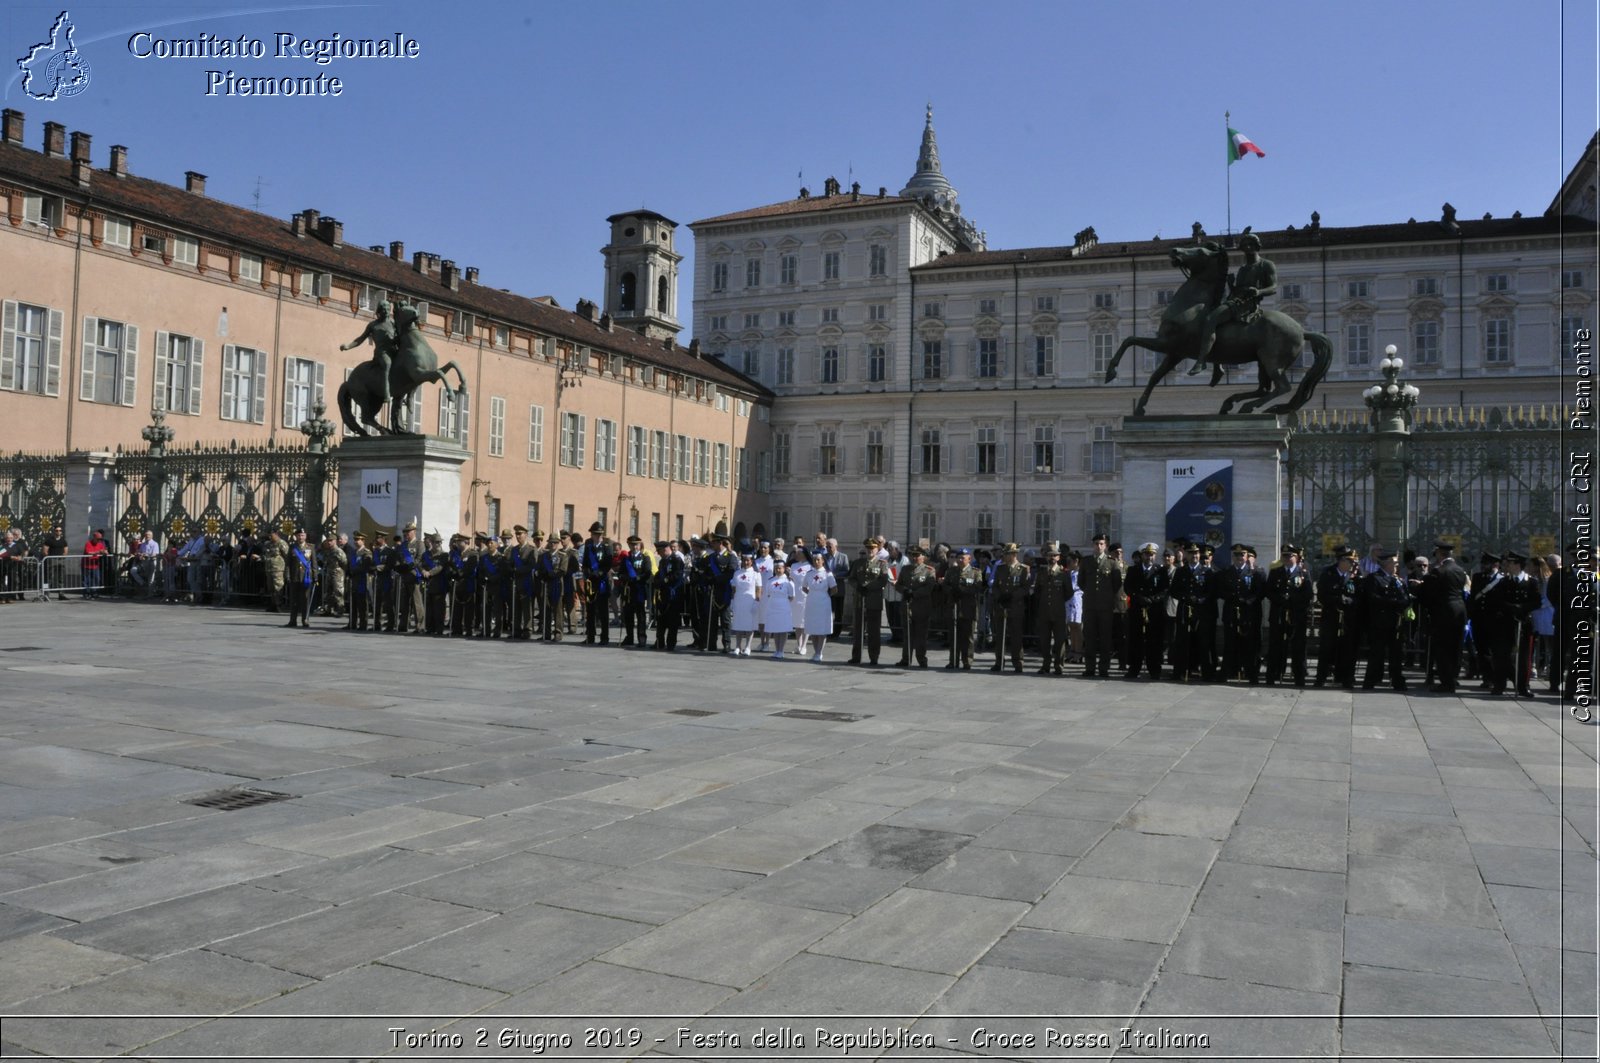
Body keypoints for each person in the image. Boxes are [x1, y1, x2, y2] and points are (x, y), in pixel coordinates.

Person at [1191, 228, 1277, 376]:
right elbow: (1237, 291)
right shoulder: (1243, 269)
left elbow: (1273, 287)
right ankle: (1217, 366)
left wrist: (1259, 292)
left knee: (1211, 319)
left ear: (1257, 246)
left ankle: (1202, 361)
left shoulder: (1266, 265)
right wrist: (1232, 285)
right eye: (1245, 245)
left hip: (1247, 304)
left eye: (1251, 244)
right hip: (1235, 300)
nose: (1247, 248)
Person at [1419, 540, 1469, 693]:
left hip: (1443, 613)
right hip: (1459, 611)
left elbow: (1430, 592)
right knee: (1456, 647)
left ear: (1440, 554)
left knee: (1443, 648)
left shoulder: (1438, 571)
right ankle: (1453, 678)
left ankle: (1446, 682)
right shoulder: (1460, 570)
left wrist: (1418, 587)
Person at [1264, 544, 1314, 687]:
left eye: (1289, 556)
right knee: (1276, 646)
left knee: (1298, 647)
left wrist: (1293, 602)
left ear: (1296, 557)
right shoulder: (1275, 572)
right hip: (1279, 614)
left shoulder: (1303, 573)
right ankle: (1272, 675)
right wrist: (1281, 600)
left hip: (1296, 616)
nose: (1286, 558)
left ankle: (1299, 676)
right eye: (1284, 555)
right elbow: (1269, 591)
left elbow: (1308, 594)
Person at [1361, 550, 1411, 690]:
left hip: (1396, 622)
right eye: (1394, 563)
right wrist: (1394, 602)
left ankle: (1397, 680)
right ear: (1386, 564)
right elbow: (1373, 598)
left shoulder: (1397, 580)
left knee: (1397, 653)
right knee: (1377, 653)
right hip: (1380, 622)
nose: (1396, 566)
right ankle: (1371, 680)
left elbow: (1405, 597)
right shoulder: (1374, 578)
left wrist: (1403, 602)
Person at [1218, 544, 1267, 684]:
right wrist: (1233, 597)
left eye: (1242, 555)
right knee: (1230, 645)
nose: (1239, 557)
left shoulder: (1255, 572)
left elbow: (1260, 592)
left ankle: (1251, 675)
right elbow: (1220, 591)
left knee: (1249, 647)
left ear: (1247, 556)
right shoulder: (1226, 572)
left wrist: (1248, 601)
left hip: (1248, 614)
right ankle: (1225, 674)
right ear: (1233, 557)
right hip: (1231, 613)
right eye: (1236, 555)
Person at [1315, 548, 1362, 689]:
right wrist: (1338, 600)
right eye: (1350, 561)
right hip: (1332, 615)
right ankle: (1321, 677)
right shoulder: (1328, 573)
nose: (1353, 565)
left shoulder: (1356, 575)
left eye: (1354, 562)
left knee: (1348, 649)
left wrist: (1349, 602)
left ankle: (1346, 678)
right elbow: (1322, 595)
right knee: (1327, 647)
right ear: (1342, 561)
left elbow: (1359, 595)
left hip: (1348, 618)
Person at [1079, 533, 1124, 679]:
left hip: (1105, 606)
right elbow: (1081, 582)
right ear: (1092, 545)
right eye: (1096, 543)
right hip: (1090, 605)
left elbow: (1116, 583)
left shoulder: (1112, 562)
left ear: (1105, 546)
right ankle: (1090, 667)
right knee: (1090, 637)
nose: (1098, 546)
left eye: (1101, 544)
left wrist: (1110, 599)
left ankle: (1104, 668)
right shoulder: (1086, 562)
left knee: (1105, 638)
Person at [1124, 542, 1170, 680]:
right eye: (1147, 554)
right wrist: (1139, 597)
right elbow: (1128, 588)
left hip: (1154, 610)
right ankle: (1134, 669)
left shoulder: (1161, 570)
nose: (1149, 557)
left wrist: (1153, 599)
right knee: (1136, 640)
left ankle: (1154, 669)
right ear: (1142, 555)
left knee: (1154, 641)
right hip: (1138, 608)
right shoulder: (1133, 570)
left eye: (1152, 554)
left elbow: (1165, 589)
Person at [339, 299, 397, 406]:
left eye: (388, 309)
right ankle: (386, 393)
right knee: (387, 364)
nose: (386, 311)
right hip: (382, 352)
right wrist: (348, 346)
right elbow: (360, 339)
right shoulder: (373, 325)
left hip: (394, 349)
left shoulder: (393, 323)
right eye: (383, 309)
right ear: (379, 311)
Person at [847, 538, 891, 666]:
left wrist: (868, 587)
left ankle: (874, 656)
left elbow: (883, 580)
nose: (870, 550)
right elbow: (851, 578)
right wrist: (858, 586)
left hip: (874, 600)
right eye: (868, 548)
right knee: (857, 630)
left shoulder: (882, 564)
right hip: (859, 599)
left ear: (877, 549)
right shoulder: (858, 563)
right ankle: (856, 656)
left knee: (874, 631)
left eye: (873, 548)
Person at [988, 544, 1030, 673]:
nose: (1003, 557)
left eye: (1006, 554)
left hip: (1015, 606)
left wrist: (1012, 596)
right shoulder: (1000, 568)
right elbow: (994, 586)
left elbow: (1025, 587)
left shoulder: (1023, 569)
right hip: (1001, 606)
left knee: (1016, 636)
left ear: (1013, 555)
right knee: (1000, 636)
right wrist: (999, 596)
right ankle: (999, 661)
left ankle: (1018, 662)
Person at [1032, 544, 1073, 675]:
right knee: (1044, 640)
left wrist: (1058, 601)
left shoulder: (1063, 574)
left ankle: (1059, 665)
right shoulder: (1042, 573)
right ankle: (1045, 665)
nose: (1052, 558)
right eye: (1050, 555)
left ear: (1059, 557)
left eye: (1054, 555)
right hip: (1044, 611)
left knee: (1060, 640)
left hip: (1058, 611)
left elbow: (1069, 593)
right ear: (1046, 557)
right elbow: (1037, 591)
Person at [896, 544, 939, 668]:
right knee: (907, 634)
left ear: (923, 557)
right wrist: (904, 590)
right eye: (912, 555)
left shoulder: (929, 570)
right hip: (907, 605)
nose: (914, 558)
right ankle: (906, 658)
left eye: (917, 555)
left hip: (921, 606)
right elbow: (898, 584)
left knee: (921, 635)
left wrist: (914, 593)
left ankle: (921, 659)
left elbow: (929, 587)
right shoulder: (905, 569)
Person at [799, 551, 837, 662]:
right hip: (811, 601)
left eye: (818, 560)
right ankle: (816, 651)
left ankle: (820, 652)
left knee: (822, 628)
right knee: (813, 628)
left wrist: (824, 595)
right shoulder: (809, 573)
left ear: (823, 561)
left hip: (823, 601)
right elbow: (804, 587)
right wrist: (812, 594)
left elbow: (834, 589)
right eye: (814, 560)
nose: (816, 562)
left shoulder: (827, 574)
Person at [581, 522, 613, 645]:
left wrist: (599, 573)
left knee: (603, 610)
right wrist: (587, 571)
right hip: (591, 581)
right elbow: (585, 561)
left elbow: (608, 563)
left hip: (602, 581)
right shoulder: (588, 544)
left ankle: (604, 637)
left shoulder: (607, 545)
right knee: (590, 609)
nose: (597, 536)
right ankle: (590, 636)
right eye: (595, 534)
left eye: (599, 534)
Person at [652, 539, 687, 651]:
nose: (659, 554)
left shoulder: (677, 560)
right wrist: (656, 580)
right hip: (663, 595)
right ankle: (659, 642)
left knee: (672, 621)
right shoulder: (663, 561)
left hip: (674, 595)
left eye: (660, 551)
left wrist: (665, 580)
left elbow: (677, 575)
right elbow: (659, 573)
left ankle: (671, 643)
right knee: (661, 619)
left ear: (666, 549)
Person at [729, 553, 762, 656]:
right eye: (744, 560)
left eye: (748, 560)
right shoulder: (737, 573)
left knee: (749, 625)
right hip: (739, 600)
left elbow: (759, 589)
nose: (746, 562)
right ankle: (738, 646)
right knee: (739, 624)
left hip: (750, 601)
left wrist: (757, 601)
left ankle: (748, 647)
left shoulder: (756, 574)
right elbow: (734, 588)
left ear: (752, 561)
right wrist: (733, 601)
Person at [762, 560, 797, 658]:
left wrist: (783, 602)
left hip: (784, 606)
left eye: (780, 568)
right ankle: (777, 649)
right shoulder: (770, 580)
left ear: (784, 569)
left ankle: (781, 650)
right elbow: (768, 594)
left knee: (783, 629)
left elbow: (791, 596)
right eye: (776, 568)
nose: (778, 570)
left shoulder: (788, 581)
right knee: (775, 629)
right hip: (772, 606)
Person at [283, 528, 315, 628]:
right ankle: (293, 620)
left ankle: (305, 620)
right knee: (294, 600)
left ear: (305, 536)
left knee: (305, 599)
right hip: (295, 577)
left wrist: (315, 576)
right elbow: (288, 563)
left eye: (302, 535)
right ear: (296, 536)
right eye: (299, 535)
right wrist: (287, 575)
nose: (301, 537)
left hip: (306, 577)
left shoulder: (311, 547)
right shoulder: (292, 547)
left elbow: (314, 563)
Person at [346, 531, 374, 631]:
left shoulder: (366, 552)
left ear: (363, 541)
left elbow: (366, 566)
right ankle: (352, 623)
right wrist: (349, 571)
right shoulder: (353, 552)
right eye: (355, 540)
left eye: (358, 540)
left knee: (362, 604)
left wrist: (355, 570)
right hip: (354, 580)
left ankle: (363, 624)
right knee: (353, 603)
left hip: (362, 580)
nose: (356, 542)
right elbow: (349, 564)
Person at [262, 527, 288, 611]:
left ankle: (278, 604)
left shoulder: (281, 543)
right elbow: (266, 555)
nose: (270, 537)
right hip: (269, 569)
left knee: (278, 587)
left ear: (276, 534)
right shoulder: (268, 544)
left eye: (271, 535)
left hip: (278, 569)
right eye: (269, 535)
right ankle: (273, 604)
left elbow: (286, 556)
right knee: (271, 588)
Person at [82, 528, 107, 599]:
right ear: (94, 538)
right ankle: (86, 593)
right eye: (98, 539)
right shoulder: (88, 543)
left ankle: (94, 592)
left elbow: (104, 550)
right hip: (87, 565)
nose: (99, 541)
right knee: (86, 580)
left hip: (95, 565)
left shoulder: (100, 544)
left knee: (96, 579)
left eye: (100, 539)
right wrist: (98, 552)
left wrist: (105, 552)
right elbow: (88, 552)